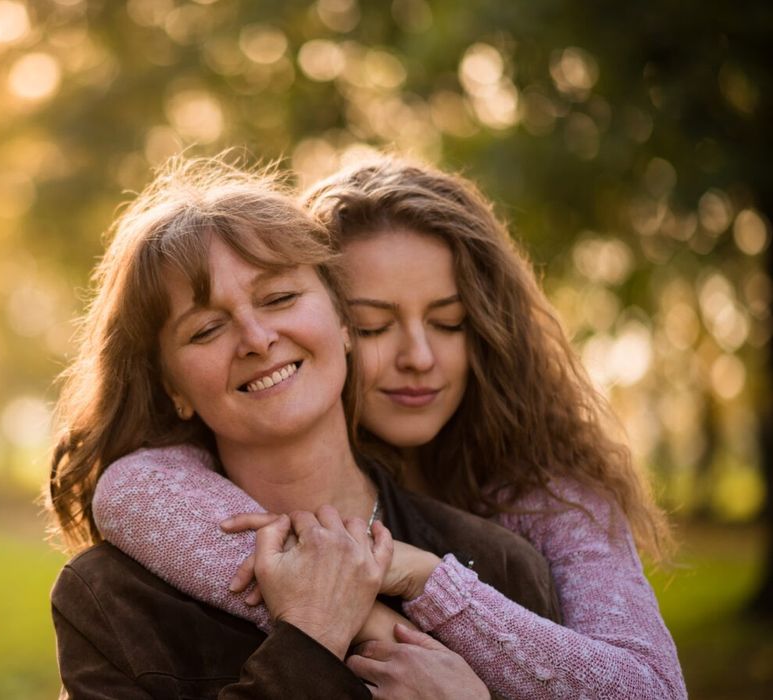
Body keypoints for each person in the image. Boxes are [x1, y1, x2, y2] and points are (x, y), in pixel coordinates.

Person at [92, 155, 687, 699]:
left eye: (449, 322)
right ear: (339, 321)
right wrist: (353, 611)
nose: (419, 358)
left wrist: (428, 582)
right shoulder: (167, 510)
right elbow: (132, 488)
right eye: (374, 325)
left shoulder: (541, 504)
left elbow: (650, 692)